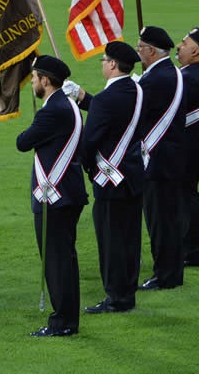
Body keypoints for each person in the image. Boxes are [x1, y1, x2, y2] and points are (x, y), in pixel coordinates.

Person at [67, 41, 145, 315]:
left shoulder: (107, 99)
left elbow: (89, 143)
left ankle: (115, 298)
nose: (102, 63)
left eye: (103, 60)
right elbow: (112, 113)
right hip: (134, 175)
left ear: (112, 64)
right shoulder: (136, 89)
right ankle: (128, 294)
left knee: (111, 242)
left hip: (111, 181)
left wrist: (88, 167)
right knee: (130, 239)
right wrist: (83, 97)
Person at [16, 56, 88, 338]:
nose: (32, 82)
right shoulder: (68, 105)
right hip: (69, 193)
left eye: (34, 77)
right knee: (65, 258)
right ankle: (68, 317)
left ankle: (63, 322)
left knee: (57, 261)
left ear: (45, 80)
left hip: (54, 197)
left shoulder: (52, 111)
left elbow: (22, 142)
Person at [135, 26, 187, 290]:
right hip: (173, 157)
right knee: (170, 219)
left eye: (141, 47)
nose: (138, 51)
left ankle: (165, 276)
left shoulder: (155, 80)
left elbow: (126, 111)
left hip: (157, 161)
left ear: (152, 51)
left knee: (160, 221)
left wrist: (86, 100)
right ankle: (172, 273)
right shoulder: (172, 72)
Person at [175, 28, 199, 268]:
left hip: (185, 146)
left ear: (196, 50)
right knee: (187, 196)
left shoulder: (190, 77)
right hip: (193, 144)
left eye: (184, 42)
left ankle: (189, 251)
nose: (179, 46)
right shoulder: (196, 73)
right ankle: (190, 249)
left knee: (183, 198)